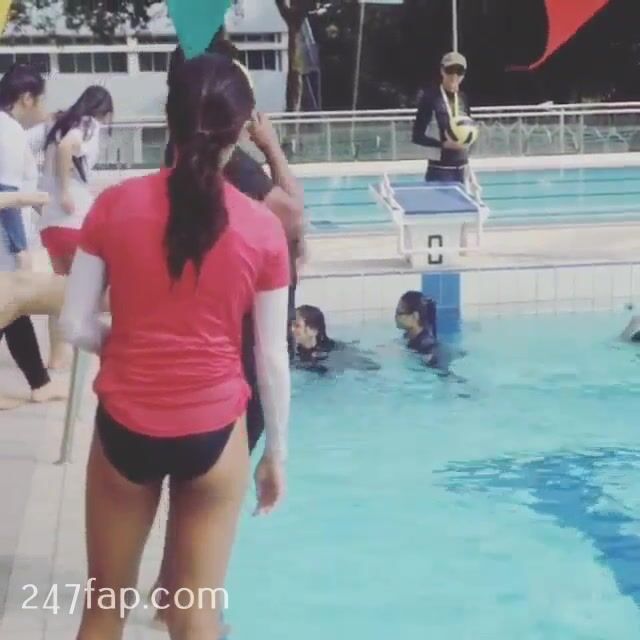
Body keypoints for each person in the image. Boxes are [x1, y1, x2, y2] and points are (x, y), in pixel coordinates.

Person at [59, 52, 291, 640]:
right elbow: (270, 358)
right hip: (214, 430)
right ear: (240, 131)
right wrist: (276, 454)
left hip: (125, 426)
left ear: (169, 120)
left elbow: (74, 324)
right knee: (195, 615)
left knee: (104, 609)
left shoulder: (113, 206)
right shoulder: (263, 227)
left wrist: (121, 346)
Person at [0, 63, 66, 410]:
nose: (42, 107)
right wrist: (20, 247)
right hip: (4, 243)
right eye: (41, 99)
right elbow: (7, 195)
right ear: (26, 98)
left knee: (15, 311)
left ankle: (40, 383)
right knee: (10, 307)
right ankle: (40, 383)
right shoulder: (9, 132)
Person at [34, 85, 114, 370]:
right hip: (73, 219)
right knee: (97, 289)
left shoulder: (58, 124)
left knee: (61, 291)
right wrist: (67, 190)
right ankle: (96, 351)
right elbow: (68, 146)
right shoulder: (88, 124)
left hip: (50, 222)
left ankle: (58, 357)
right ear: (104, 111)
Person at [411, 51, 481, 199]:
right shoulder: (430, 98)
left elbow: (470, 129)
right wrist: (443, 145)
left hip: (463, 168)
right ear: (442, 71)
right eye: (450, 70)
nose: (454, 75)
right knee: (439, 211)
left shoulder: (463, 98)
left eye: (459, 71)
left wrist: (469, 145)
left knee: (465, 210)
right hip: (439, 169)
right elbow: (417, 136)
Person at [292, 305, 380, 374]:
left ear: (313, 330)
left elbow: (372, 367)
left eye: (297, 326)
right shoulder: (293, 352)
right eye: (291, 325)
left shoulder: (334, 352)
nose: (291, 329)